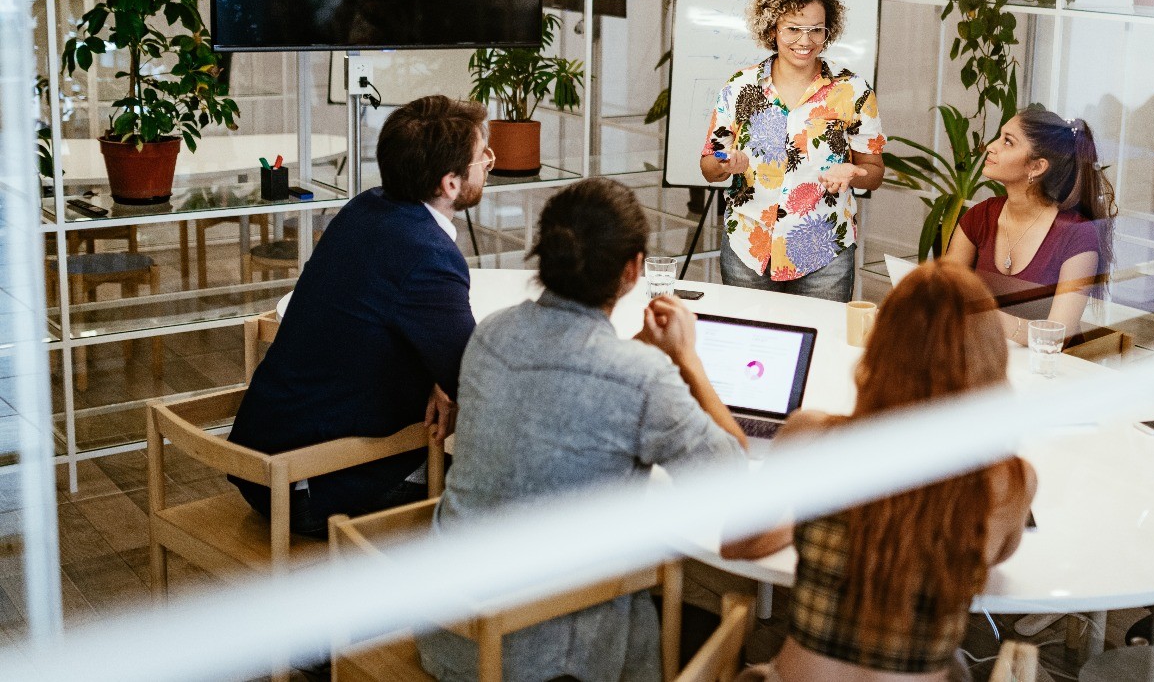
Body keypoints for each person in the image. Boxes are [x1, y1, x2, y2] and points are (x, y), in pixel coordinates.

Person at [417, 178, 747, 682]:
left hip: (450, 636)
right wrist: (687, 358)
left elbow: (567, 381)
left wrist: (643, 350)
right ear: (633, 269)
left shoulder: (491, 334)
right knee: (728, 626)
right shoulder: (641, 378)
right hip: (542, 658)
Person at [723, 261, 1037, 682]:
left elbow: (736, 543)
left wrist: (807, 521)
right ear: (988, 358)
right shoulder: (1008, 480)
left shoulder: (810, 435)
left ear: (881, 345)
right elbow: (991, 560)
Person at [228, 95, 490, 536]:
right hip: (310, 484)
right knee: (498, 495)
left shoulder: (366, 207)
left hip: (264, 459)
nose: (488, 162)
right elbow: (477, 378)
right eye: (482, 156)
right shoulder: (428, 254)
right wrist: (447, 377)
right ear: (449, 184)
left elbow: (388, 329)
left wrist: (440, 377)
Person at [701, 0, 887, 302]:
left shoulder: (852, 90)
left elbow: (873, 171)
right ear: (772, 29)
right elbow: (709, 165)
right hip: (749, 245)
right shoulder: (740, 86)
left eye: (817, 29)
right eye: (794, 29)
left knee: (821, 347)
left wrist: (855, 174)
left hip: (825, 250)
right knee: (749, 345)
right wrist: (726, 163)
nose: (806, 40)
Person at [943, 107, 1115, 345]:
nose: (991, 146)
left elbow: (1057, 335)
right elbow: (943, 292)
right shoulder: (979, 217)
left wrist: (981, 315)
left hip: (1048, 371)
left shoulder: (1077, 235)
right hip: (985, 357)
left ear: (1036, 166)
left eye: (1008, 142)